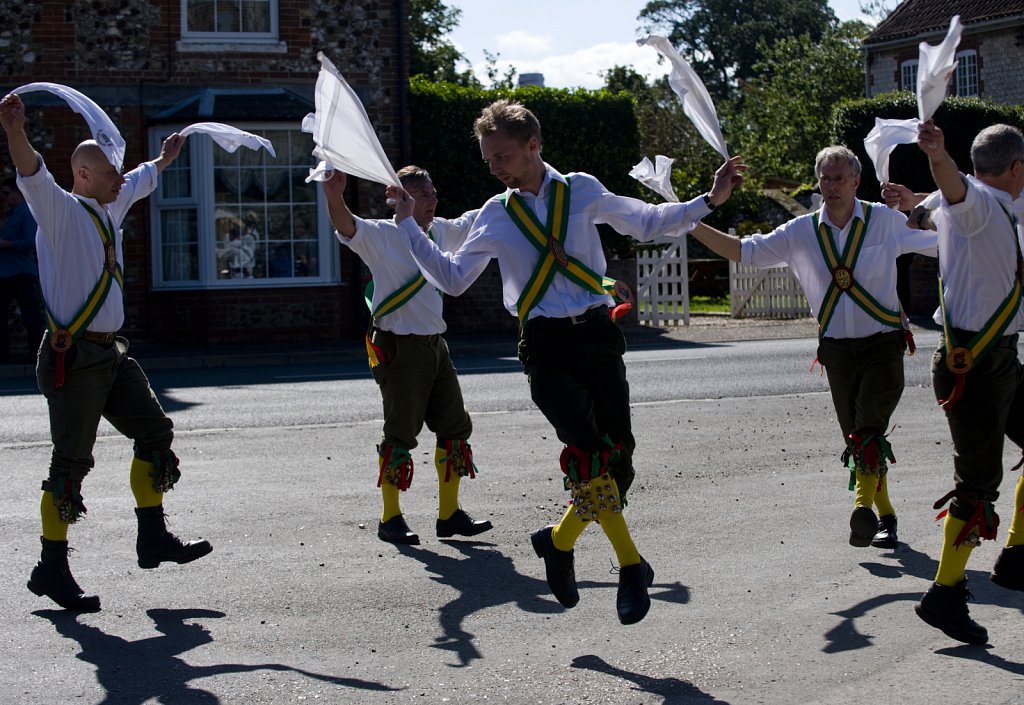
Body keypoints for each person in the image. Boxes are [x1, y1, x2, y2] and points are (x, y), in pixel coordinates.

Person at [395, 99, 745, 624]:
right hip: (545, 345)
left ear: (534, 147)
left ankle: (559, 542)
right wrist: (407, 226)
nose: (493, 166)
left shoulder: (580, 189)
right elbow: (451, 279)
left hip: (598, 337)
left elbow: (647, 220)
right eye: (488, 157)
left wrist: (710, 199)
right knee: (590, 454)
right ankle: (631, 565)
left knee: (619, 459)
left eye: (502, 156)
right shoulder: (496, 213)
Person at [0, 92, 212, 613]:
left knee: (155, 432)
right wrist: (13, 129)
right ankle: (52, 567)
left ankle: (153, 537)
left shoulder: (109, 202)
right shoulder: (58, 210)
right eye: (109, 172)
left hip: (111, 355)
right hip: (72, 357)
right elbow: (32, 171)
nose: (121, 179)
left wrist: (163, 159)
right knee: (70, 463)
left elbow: (139, 177)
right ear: (85, 175)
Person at [688, 146, 937, 550]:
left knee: (869, 428)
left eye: (840, 178)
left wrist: (923, 203)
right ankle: (885, 516)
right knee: (859, 437)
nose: (832, 186)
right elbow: (742, 251)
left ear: (857, 181)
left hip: (883, 344)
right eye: (825, 178)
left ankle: (862, 509)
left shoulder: (884, 221)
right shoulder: (800, 231)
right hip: (836, 350)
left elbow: (941, 242)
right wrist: (690, 221)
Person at [322, 165, 492, 546]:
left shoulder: (441, 231)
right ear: (400, 199)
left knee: (454, 429)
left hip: (436, 345)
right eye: (424, 195)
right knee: (400, 434)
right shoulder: (382, 235)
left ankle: (449, 515)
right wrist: (334, 194)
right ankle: (390, 518)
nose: (434, 200)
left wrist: (519, 183)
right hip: (399, 347)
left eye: (433, 193)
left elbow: (479, 218)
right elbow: (346, 224)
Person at [907, 121, 1024, 645]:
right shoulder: (975, 202)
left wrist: (916, 199)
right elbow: (955, 190)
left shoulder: (1000, 204)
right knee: (978, 487)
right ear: (1017, 168)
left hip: (1001, 357)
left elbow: (934, 203)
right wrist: (937, 155)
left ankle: (1017, 555)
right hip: (971, 364)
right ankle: (945, 593)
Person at [0, 175, 45, 362]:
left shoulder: (26, 212)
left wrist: (8, 244)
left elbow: (31, 241)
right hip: (5, 273)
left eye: (7, 193)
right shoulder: (9, 214)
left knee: (30, 314)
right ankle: (3, 354)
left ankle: (37, 353)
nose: (5, 197)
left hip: (22, 272)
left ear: (18, 192)